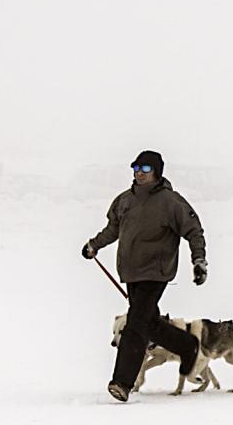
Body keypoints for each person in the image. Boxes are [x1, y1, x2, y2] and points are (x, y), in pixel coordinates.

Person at [82, 150, 208, 402]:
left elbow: (194, 231)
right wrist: (94, 245)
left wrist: (199, 260)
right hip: (130, 271)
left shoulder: (171, 202)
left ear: (157, 172)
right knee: (148, 323)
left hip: (156, 271)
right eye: (136, 168)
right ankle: (187, 345)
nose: (139, 172)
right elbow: (113, 229)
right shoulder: (124, 200)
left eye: (146, 169)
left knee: (135, 325)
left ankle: (122, 382)